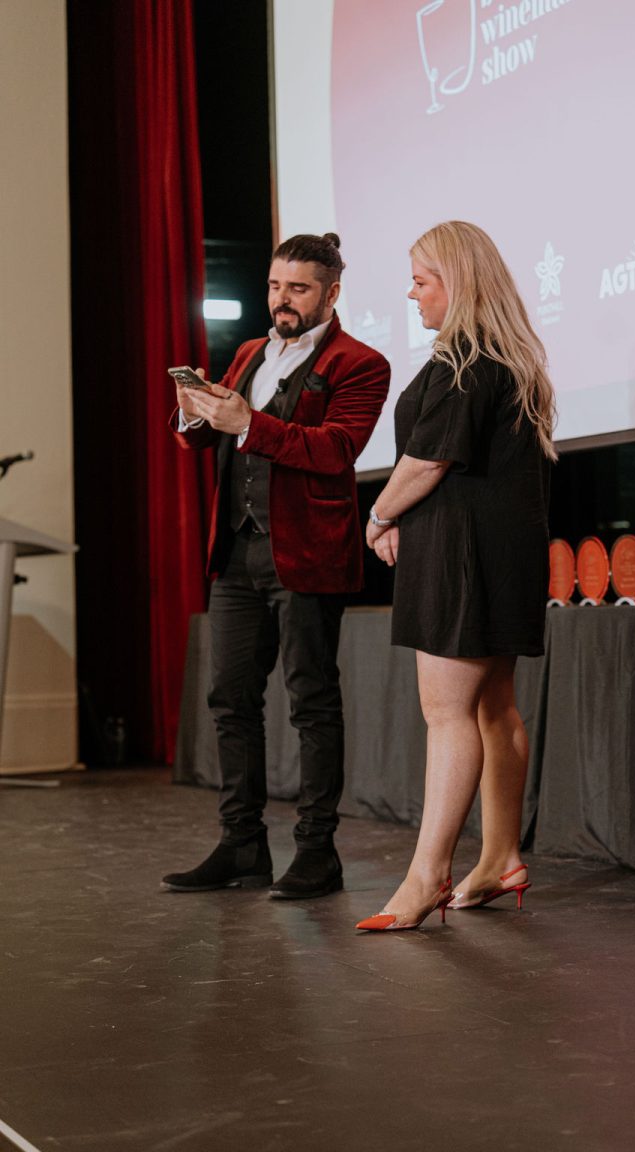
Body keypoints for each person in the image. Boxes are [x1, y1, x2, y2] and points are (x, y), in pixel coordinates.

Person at [162, 233, 390, 899]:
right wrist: (195, 416)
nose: (281, 300)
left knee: (311, 700)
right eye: (273, 286)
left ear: (331, 293)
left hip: (308, 555)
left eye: (297, 288)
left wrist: (246, 422)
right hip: (238, 552)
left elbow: (336, 450)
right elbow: (212, 437)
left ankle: (317, 852)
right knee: (230, 697)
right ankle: (242, 844)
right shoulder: (249, 353)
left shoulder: (361, 363)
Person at [355, 221, 556, 932]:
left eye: (421, 281)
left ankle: (426, 877)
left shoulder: (465, 361)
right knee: (493, 706)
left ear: (458, 283)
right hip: (496, 550)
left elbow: (428, 460)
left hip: (463, 555)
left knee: (448, 715)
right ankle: (500, 858)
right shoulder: (506, 356)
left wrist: (380, 514)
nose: (411, 294)